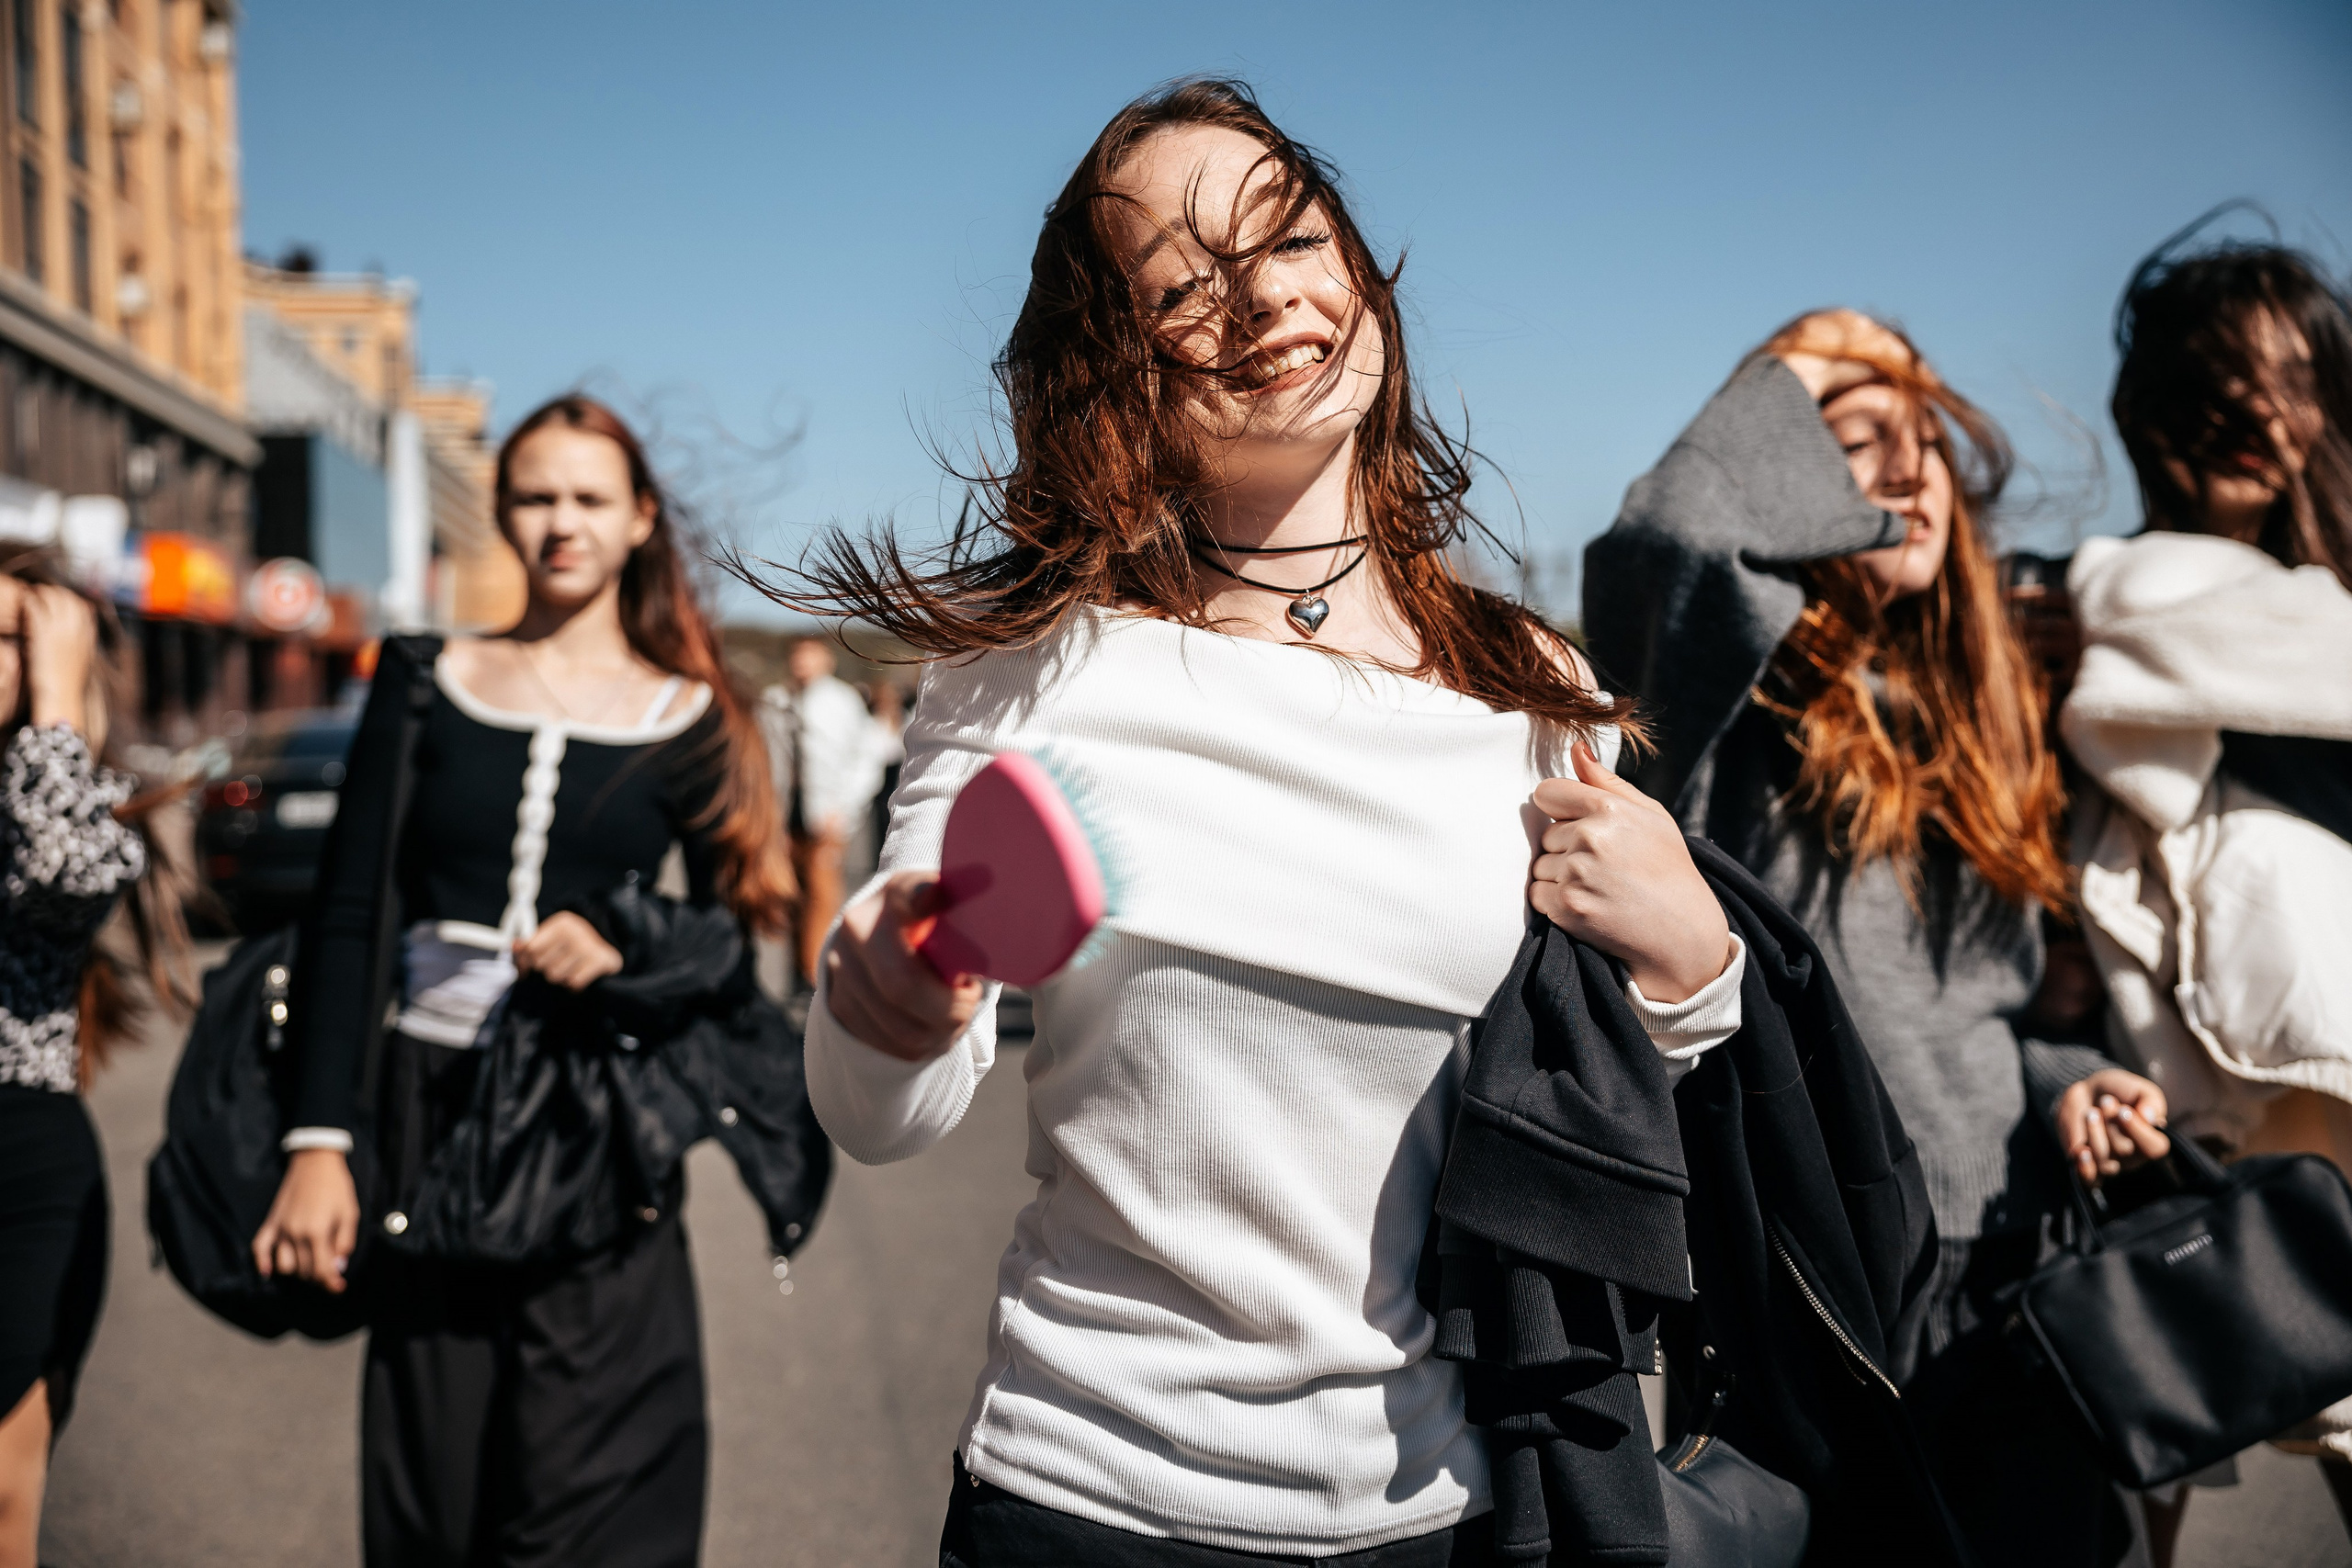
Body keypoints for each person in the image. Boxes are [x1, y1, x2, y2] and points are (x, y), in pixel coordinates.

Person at [767, 79, 1747, 1566]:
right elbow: (876, 1110)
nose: (1266, 297)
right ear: (1122, 371)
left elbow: (1601, 1111)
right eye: (1183, 285)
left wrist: (1695, 969)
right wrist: (891, 994)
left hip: (1445, 1512)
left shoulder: (1536, 687)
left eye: (1287, 233)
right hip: (1083, 1502)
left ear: (1352, 261)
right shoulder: (1035, 673)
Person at [1581, 308, 2169, 1566]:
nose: (1906, 471)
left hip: (2013, 1250)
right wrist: (1798, 364)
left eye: (1923, 441)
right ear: (1785, 483)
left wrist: (2076, 1084)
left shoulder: (2001, 711)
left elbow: (2001, 1010)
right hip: (1813, 1272)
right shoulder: (1734, 698)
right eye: (1851, 443)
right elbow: (1670, 535)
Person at [249, 394, 795, 1568]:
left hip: (591, 1125)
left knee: (604, 1496)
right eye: (536, 496)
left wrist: (623, 949)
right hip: (419, 1110)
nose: (562, 523)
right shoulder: (424, 676)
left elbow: (719, 949)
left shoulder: (695, 716)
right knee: (433, 1495)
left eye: (589, 498)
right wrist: (318, 1141)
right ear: (500, 512)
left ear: (641, 518)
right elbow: (350, 917)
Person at [2059, 230, 2352, 1561]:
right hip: (2273, 1149)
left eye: (2290, 377)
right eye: (2217, 376)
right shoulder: (2126, 603)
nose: (2254, 410)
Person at [0, 548, 190, 1568]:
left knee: (2, 1492)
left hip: (23, 1160)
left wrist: (55, 702)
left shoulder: (88, 809)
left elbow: (62, 870)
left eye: (10, 640)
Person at [757, 636, 884, 987]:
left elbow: (866, 759)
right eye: (798, 656)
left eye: (811, 657)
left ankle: (819, 972)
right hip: (786, 814)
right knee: (789, 894)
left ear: (826, 661)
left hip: (826, 814)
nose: (803, 664)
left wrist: (843, 810)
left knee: (822, 892)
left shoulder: (843, 700)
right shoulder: (774, 700)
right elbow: (765, 763)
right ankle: (799, 969)